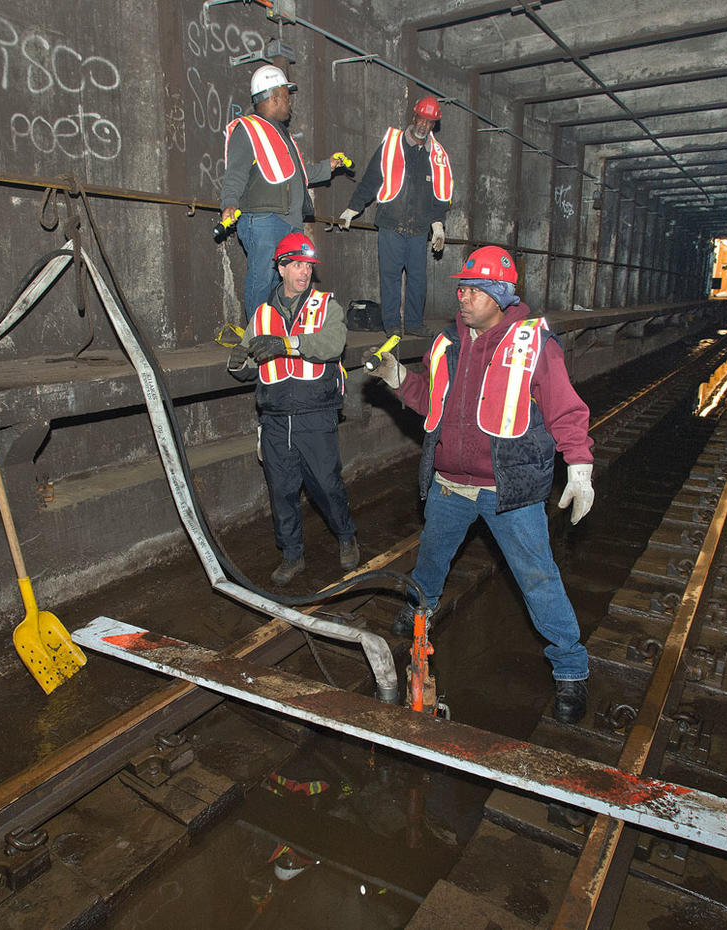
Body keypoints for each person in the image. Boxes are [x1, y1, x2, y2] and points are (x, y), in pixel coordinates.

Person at [365, 245, 595, 723]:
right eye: (462, 289)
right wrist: (396, 378)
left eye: (473, 290)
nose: (463, 297)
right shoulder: (448, 342)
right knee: (429, 565)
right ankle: (417, 617)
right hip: (450, 485)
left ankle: (571, 670)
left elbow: (565, 409)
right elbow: (433, 401)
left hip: (508, 494)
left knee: (538, 580)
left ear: (501, 296)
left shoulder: (534, 344)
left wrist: (579, 465)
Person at [228, 232, 359, 586]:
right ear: (281, 268)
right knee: (281, 490)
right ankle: (291, 554)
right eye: (296, 264)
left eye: (308, 265)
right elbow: (252, 361)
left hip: (315, 414)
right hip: (274, 417)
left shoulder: (326, 305)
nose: (304, 272)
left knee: (327, 485)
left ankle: (346, 536)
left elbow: (333, 344)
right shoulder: (262, 315)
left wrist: (287, 344)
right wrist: (240, 364)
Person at [221, 64, 349, 320]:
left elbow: (299, 173)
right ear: (274, 97)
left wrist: (329, 166)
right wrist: (229, 203)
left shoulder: (282, 135)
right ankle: (257, 339)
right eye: (287, 96)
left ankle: (280, 335)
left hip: (290, 222)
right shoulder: (248, 130)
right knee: (263, 278)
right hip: (265, 220)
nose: (291, 103)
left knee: (287, 285)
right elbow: (235, 173)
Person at [339, 95, 453, 336]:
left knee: (418, 280)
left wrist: (438, 226)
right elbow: (371, 179)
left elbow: (440, 195)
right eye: (421, 119)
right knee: (390, 277)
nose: (424, 125)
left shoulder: (437, 156)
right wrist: (353, 207)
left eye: (429, 122)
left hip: (420, 228)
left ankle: (413, 324)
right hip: (391, 222)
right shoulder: (392, 145)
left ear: (435, 125)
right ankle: (391, 324)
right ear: (414, 118)